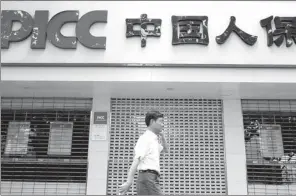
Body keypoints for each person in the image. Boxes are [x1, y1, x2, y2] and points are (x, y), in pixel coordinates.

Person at [119, 111, 169, 195]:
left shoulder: (154, 140)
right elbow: (136, 160)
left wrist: (163, 137)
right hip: (148, 177)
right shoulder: (145, 139)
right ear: (152, 122)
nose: (163, 124)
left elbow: (165, 150)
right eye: (161, 121)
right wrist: (128, 182)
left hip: (150, 177)